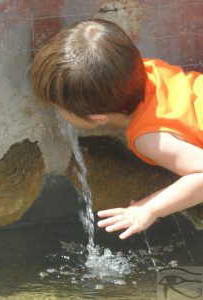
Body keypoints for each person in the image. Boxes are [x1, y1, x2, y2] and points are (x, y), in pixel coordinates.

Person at [31, 19, 203, 240]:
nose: (56, 111)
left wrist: (149, 209)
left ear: (99, 118)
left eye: (58, 108)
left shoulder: (149, 138)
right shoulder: (144, 70)